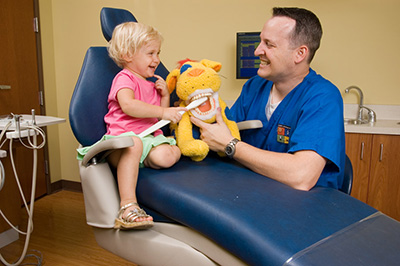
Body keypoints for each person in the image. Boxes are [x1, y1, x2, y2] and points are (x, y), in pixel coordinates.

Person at [191, 7, 345, 191]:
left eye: (269, 44)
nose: (257, 51)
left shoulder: (322, 98)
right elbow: (224, 130)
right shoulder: (255, 86)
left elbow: (301, 176)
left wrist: (230, 145)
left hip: (304, 207)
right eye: (260, 42)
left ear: (300, 54)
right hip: (253, 191)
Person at [105, 22, 186, 229]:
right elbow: (128, 105)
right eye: (150, 53)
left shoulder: (151, 84)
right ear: (127, 55)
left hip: (147, 139)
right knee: (134, 144)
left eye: (158, 53)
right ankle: (127, 206)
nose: (157, 59)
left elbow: (160, 120)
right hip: (123, 142)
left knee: (165, 158)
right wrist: (162, 111)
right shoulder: (124, 78)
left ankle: (175, 150)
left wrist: (165, 97)